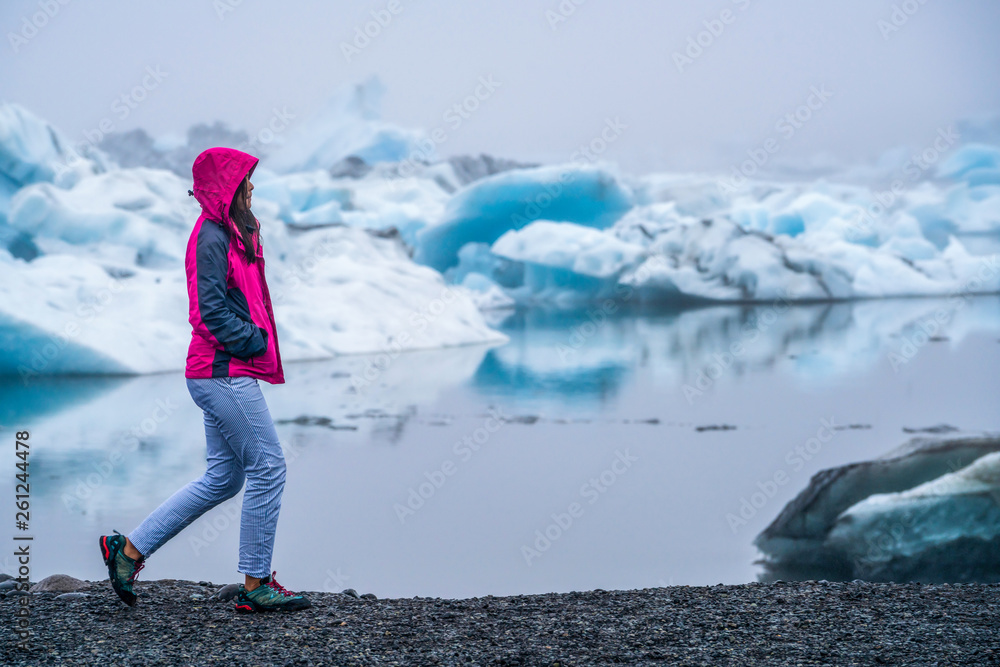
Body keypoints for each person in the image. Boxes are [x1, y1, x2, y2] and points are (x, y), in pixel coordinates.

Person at [98, 147, 310, 613]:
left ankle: (127, 551)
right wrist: (254, 341)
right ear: (228, 187)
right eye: (246, 180)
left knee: (223, 478)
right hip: (223, 371)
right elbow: (208, 313)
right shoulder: (211, 237)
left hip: (224, 370)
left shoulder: (233, 233)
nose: (252, 187)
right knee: (269, 467)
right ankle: (255, 584)